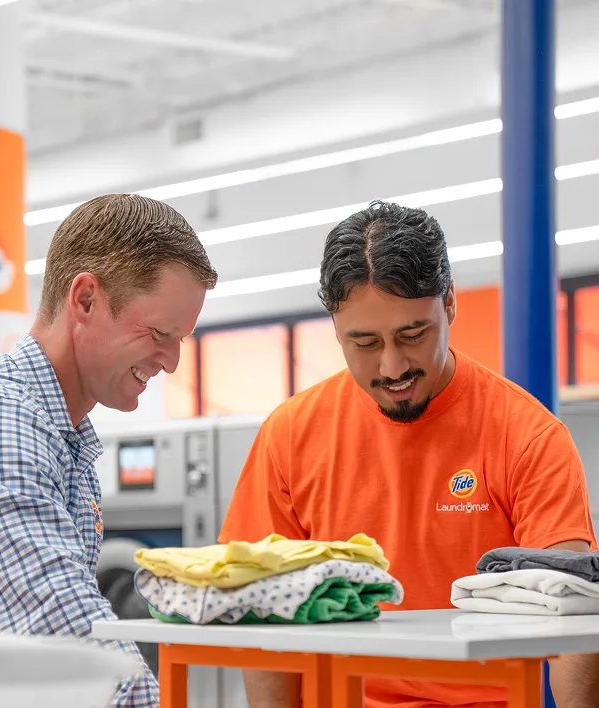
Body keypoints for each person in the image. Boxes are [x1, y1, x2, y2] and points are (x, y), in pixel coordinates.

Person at [219, 200, 599, 708]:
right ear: (335, 329)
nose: (392, 364)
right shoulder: (290, 434)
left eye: (412, 335)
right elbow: (260, 604)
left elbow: (569, 608)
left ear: (449, 305)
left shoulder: (527, 435)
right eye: (365, 343)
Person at [0, 194, 217, 707]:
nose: (170, 362)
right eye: (158, 334)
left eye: (181, 340)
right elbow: (65, 628)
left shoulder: (57, 432)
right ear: (84, 299)